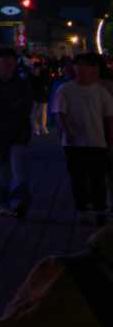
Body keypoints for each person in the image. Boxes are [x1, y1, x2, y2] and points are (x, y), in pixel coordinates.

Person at [53, 52, 113, 226]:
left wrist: (109, 138)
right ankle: (83, 210)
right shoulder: (65, 89)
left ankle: (100, 209)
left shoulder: (101, 91)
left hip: (97, 141)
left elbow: (109, 117)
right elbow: (59, 113)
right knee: (78, 178)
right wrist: (67, 132)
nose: (82, 69)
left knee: (97, 178)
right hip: (73, 143)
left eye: (86, 65)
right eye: (78, 65)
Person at [0, 47, 35, 218]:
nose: (6, 63)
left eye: (9, 59)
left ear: (15, 62)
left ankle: (19, 202)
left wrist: (3, 109)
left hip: (18, 132)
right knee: (2, 171)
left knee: (19, 170)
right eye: (2, 60)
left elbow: (26, 107)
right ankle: (4, 203)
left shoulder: (22, 84)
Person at [30, 62, 54, 136]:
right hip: (35, 96)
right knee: (35, 113)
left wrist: (47, 90)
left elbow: (49, 83)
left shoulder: (44, 75)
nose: (35, 70)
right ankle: (36, 129)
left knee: (42, 112)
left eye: (36, 68)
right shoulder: (31, 76)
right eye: (34, 69)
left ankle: (42, 127)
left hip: (42, 96)